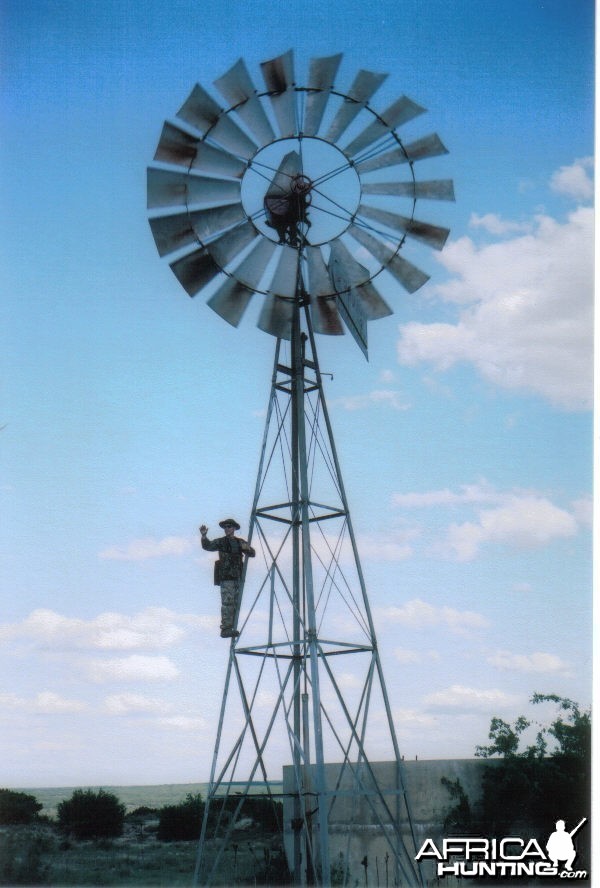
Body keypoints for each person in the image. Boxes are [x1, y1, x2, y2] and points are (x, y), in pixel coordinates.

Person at [199, 519, 255, 638]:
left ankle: (231, 626)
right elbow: (208, 546)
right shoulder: (221, 542)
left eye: (229, 527)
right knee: (228, 602)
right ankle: (226, 628)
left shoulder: (240, 542)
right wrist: (204, 536)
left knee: (235, 603)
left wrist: (247, 548)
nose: (227, 529)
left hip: (237, 577)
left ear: (234, 528)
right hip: (226, 577)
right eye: (225, 527)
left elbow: (252, 553)